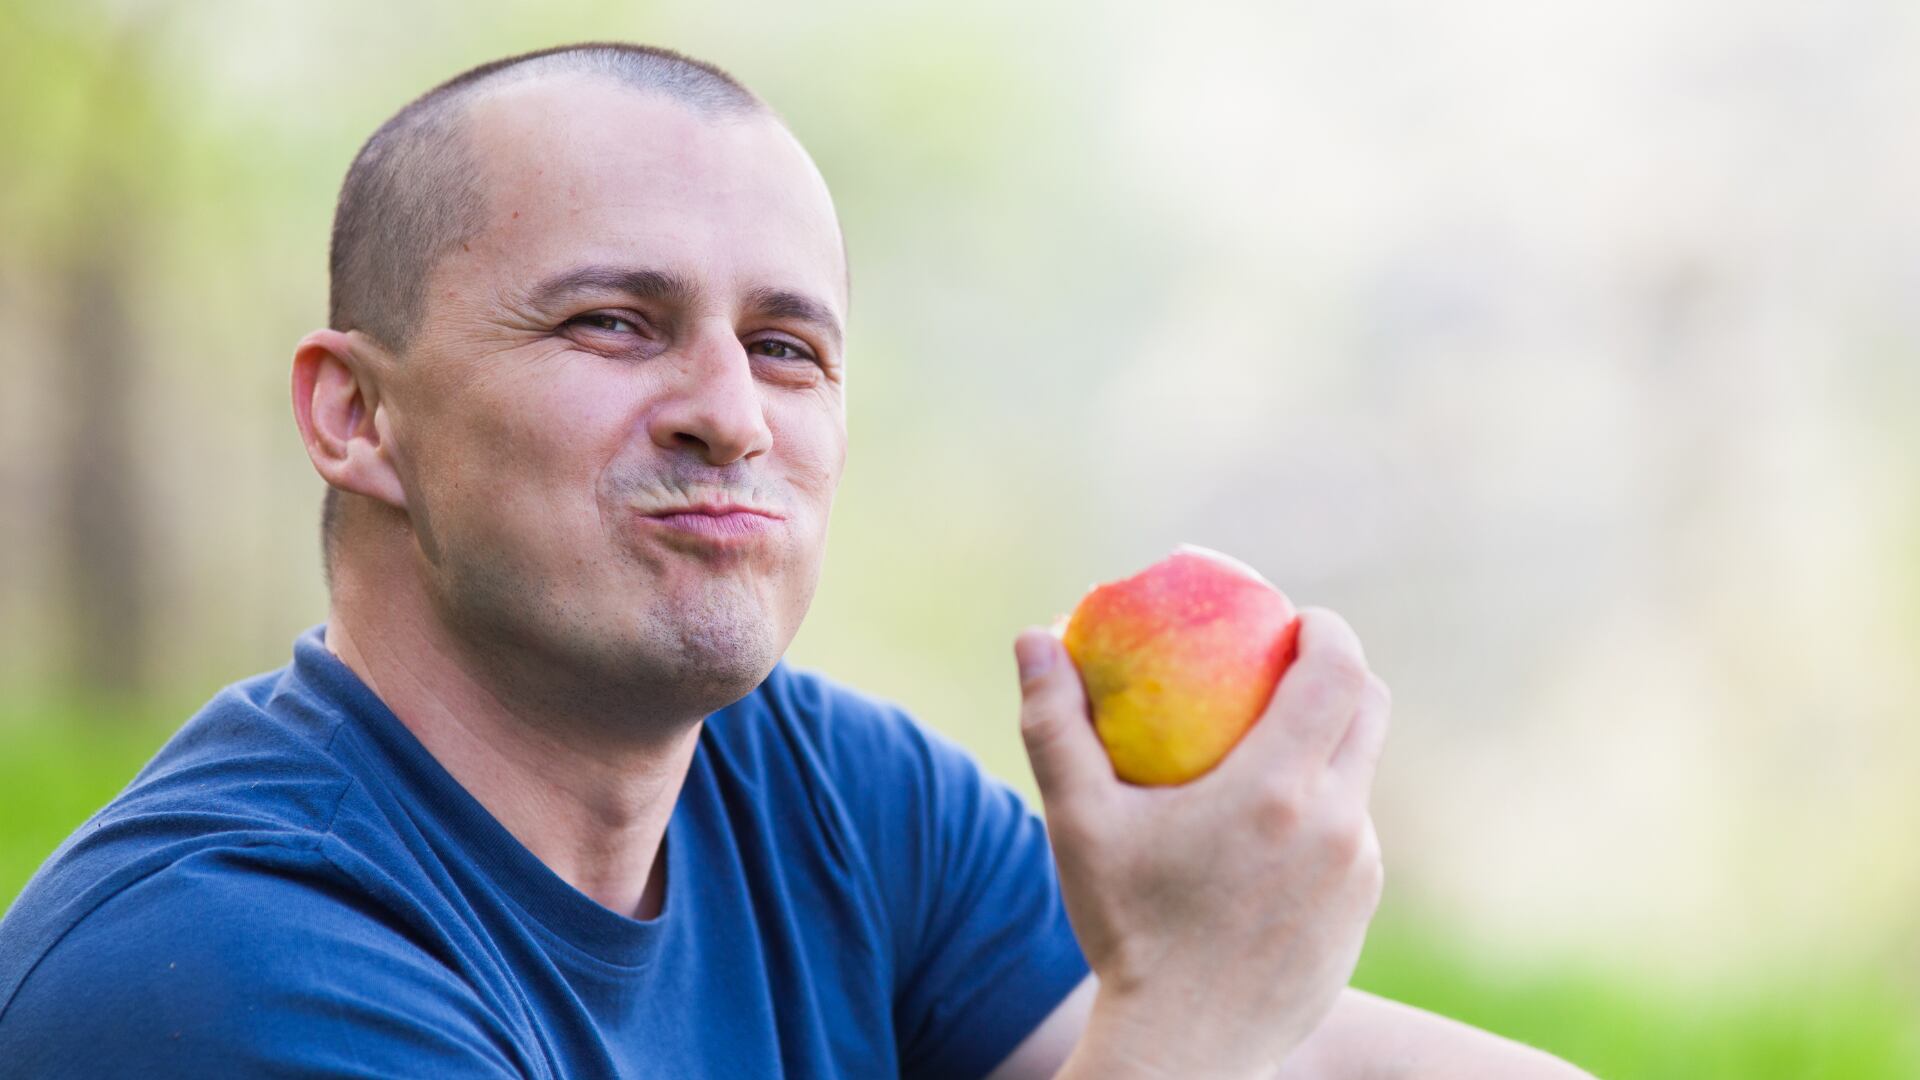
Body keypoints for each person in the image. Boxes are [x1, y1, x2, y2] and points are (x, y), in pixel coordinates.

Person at [0, 42, 1589, 1078]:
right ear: (357, 415)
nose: (729, 417)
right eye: (613, 322)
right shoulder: (210, 978)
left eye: (786, 347)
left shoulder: (813, 795)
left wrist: (1219, 975)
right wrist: (1186, 1023)